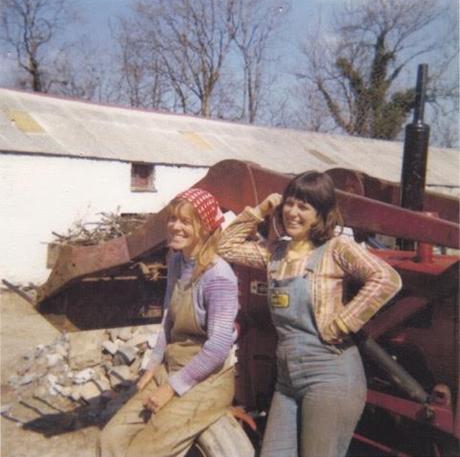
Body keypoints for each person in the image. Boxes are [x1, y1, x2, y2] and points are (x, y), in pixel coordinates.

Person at [218, 171, 402, 457]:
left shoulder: (335, 249)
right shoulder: (276, 253)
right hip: (287, 379)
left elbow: (386, 278)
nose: (292, 212)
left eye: (303, 207)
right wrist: (260, 210)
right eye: (289, 203)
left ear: (320, 214)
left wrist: (343, 322)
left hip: (330, 375)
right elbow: (225, 246)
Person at [99, 188, 239, 457]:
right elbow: (167, 320)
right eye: (172, 219)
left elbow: (219, 346)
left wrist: (171, 389)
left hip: (207, 379)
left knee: (143, 451)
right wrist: (152, 367)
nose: (175, 226)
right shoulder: (177, 261)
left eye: (185, 221)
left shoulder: (219, 276)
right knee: (111, 439)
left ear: (205, 227)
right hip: (171, 366)